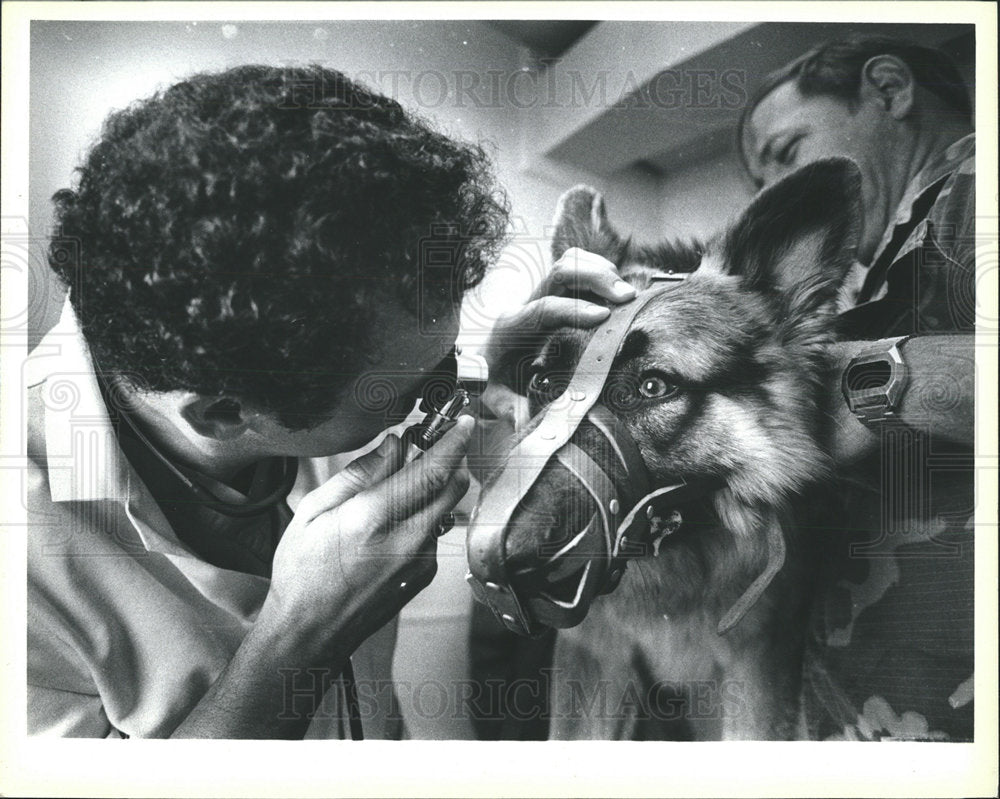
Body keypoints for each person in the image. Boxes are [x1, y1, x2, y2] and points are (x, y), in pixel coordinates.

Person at [27, 63, 635, 739]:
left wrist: (504, 373)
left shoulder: (255, 366)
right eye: (418, 382)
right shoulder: (22, 561)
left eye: (452, 358)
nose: (451, 388)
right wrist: (299, 636)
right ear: (226, 415)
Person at [737, 35, 976, 740]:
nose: (779, 194)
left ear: (890, 89)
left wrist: (877, 379)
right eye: (760, 183)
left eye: (785, 152)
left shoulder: (975, 196)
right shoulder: (880, 264)